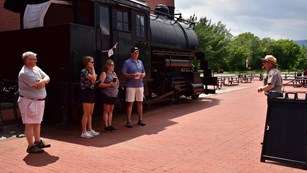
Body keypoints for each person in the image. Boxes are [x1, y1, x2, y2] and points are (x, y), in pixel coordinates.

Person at [18, 51, 51, 153]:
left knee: (37, 122)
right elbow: (39, 85)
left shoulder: (36, 68)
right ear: (28, 60)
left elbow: (47, 78)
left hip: (38, 101)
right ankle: (30, 146)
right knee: (29, 124)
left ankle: (37, 141)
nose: (36, 60)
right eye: (34, 59)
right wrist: (43, 81)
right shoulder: (25, 73)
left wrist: (43, 80)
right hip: (29, 102)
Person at [122, 47, 146, 128]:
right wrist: (132, 75)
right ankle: (128, 122)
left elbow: (144, 72)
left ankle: (140, 120)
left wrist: (142, 75)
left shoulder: (140, 62)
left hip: (140, 85)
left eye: (137, 53)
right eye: (135, 53)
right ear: (131, 53)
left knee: (140, 103)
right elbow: (124, 73)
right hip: (131, 86)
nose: (136, 55)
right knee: (130, 103)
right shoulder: (127, 62)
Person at [80, 56, 100, 138]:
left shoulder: (90, 70)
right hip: (86, 92)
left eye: (93, 62)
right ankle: (84, 131)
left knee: (90, 112)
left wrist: (92, 69)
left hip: (91, 91)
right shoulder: (84, 71)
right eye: (92, 62)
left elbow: (94, 80)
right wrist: (93, 69)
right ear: (87, 63)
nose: (93, 64)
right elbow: (94, 78)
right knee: (86, 113)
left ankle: (90, 129)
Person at [98, 59, 119, 132]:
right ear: (107, 66)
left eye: (113, 65)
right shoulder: (104, 74)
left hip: (113, 94)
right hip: (106, 94)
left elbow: (117, 82)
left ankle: (110, 125)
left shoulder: (114, 73)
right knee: (106, 110)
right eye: (111, 65)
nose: (113, 66)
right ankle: (106, 126)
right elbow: (99, 84)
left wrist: (116, 85)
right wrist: (109, 85)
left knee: (111, 110)